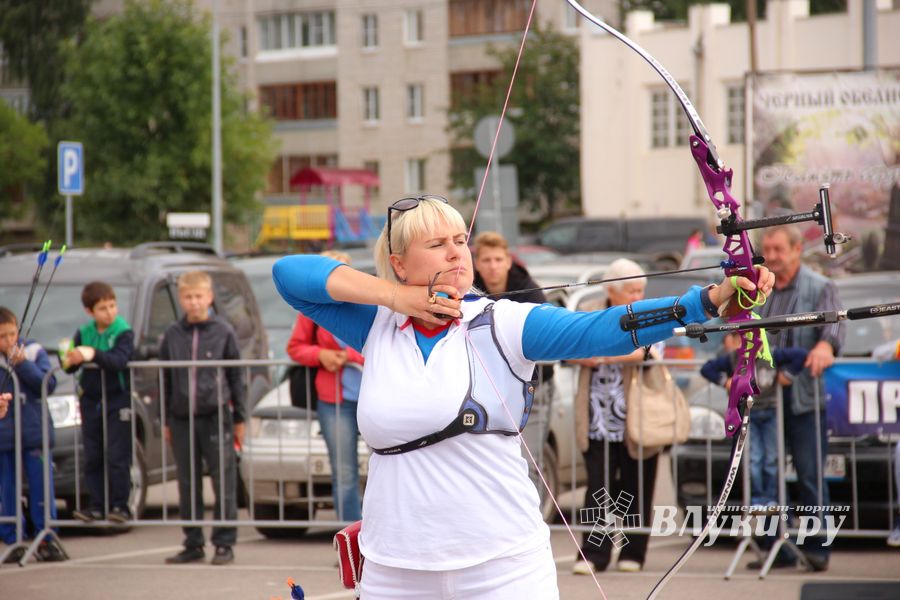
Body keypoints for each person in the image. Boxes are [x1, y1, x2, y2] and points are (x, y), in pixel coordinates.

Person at [272, 195, 773, 598]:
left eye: (460, 240)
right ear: (400, 265)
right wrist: (395, 298)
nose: (456, 253)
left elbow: (602, 328)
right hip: (394, 567)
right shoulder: (377, 325)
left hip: (502, 567)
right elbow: (290, 276)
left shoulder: (503, 323)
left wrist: (702, 301)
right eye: (437, 244)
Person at [752, 224, 845, 572]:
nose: (772, 257)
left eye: (778, 250)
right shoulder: (763, 290)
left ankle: (816, 547)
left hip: (803, 398)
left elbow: (834, 325)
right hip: (765, 399)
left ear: (795, 250)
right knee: (766, 473)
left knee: (808, 474)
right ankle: (775, 547)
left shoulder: (820, 286)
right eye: (768, 250)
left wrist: (825, 344)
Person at [569, 258, 660, 574]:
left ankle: (633, 552)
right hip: (597, 416)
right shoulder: (591, 311)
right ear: (612, 290)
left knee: (637, 482)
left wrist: (604, 355)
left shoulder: (648, 313)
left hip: (636, 416)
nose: (637, 296)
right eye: (631, 290)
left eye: (640, 289)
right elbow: (567, 348)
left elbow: (646, 351)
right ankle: (593, 553)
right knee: (598, 485)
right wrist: (583, 358)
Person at [160, 271, 246, 566]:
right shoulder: (172, 334)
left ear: (209, 297)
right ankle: (193, 542)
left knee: (223, 481)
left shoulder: (223, 331)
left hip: (216, 415)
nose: (194, 302)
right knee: (187, 481)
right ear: (181, 299)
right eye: (188, 297)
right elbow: (166, 380)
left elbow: (236, 376)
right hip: (182, 417)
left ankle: (224, 543)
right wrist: (166, 419)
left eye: (199, 296)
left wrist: (240, 417)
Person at [472, 231, 554, 501]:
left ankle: (531, 522)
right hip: (484, 391)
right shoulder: (468, 291)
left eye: (498, 259)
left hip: (532, 389)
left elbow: (548, 337)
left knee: (525, 462)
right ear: (477, 263)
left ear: (508, 261)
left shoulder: (530, 291)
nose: (493, 266)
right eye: (487, 260)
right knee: (484, 467)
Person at [287, 250, 365, 522]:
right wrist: (321, 355)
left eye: (340, 272)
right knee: (344, 473)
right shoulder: (312, 310)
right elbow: (295, 347)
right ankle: (351, 542)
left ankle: (384, 540)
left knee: (390, 467)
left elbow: (388, 346)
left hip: (372, 397)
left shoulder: (366, 306)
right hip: (334, 402)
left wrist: (351, 357)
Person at [700, 332, 808, 509]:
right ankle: (757, 498)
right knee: (755, 458)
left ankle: (771, 497)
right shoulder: (734, 358)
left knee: (772, 457)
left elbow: (801, 355)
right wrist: (725, 381)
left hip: (771, 412)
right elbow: (707, 369)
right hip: (749, 415)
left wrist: (787, 376)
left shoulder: (772, 354)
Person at [64, 281, 135, 524]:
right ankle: (97, 505)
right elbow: (69, 367)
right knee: (93, 455)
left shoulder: (123, 331)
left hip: (117, 399)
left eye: (112, 306)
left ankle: (120, 506)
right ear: (90, 311)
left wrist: (92, 354)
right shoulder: (84, 333)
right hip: (91, 399)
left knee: (117, 455)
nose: (110, 312)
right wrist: (72, 359)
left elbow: (119, 361)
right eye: (103, 308)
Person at [0, 306, 65, 562]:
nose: (8, 341)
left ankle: (46, 537)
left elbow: (47, 384)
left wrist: (22, 364)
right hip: (5, 437)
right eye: (2, 336)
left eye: (12, 334)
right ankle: (13, 538)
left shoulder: (34, 350)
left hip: (34, 433)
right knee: (7, 489)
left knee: (41, 487)